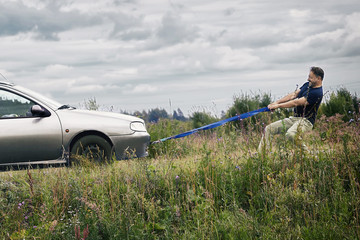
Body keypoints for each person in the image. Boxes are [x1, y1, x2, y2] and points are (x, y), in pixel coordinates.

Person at [258, 66, 324, 153]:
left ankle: (309, 155)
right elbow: (293, 95)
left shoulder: (317, 93)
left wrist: (278, 106)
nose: (308, 79)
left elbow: (296, 103)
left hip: (306, 121)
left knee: (291, 134)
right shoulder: (307, 85)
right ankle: (261, 156)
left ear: (318, 78)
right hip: (294, 118)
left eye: (311, 77)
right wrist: (276, 102)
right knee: (268, 129)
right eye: (308, 76)